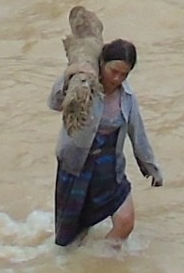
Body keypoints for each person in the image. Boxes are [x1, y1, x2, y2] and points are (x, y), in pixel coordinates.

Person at [51, 38, 162, 247]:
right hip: (77, 168)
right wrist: (69, 75)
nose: (118, 78)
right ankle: (80, 268)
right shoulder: (83, 87)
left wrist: (151, 168)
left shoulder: (126, 97)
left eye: (124, 74)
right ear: (102, 63)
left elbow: (137, 132)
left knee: (125, 223)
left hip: (109, 168)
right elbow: (54, 103)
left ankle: (104, 261)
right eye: (114, 71)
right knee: (71, 239)